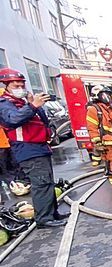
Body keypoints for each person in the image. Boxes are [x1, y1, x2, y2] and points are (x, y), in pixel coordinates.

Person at [0, 68, 67, 228]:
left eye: (22, 84)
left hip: (40, 147)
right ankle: (44, 219)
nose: (21, 88)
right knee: (41, 183)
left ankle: (52, 213)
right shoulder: (4, 104)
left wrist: (34, 104)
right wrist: (32, 105)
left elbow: (42, 120)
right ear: (6, 86)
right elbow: (12, 120)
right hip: (27, 148)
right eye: (16, 85)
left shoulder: (23, 103)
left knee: (47, 182)